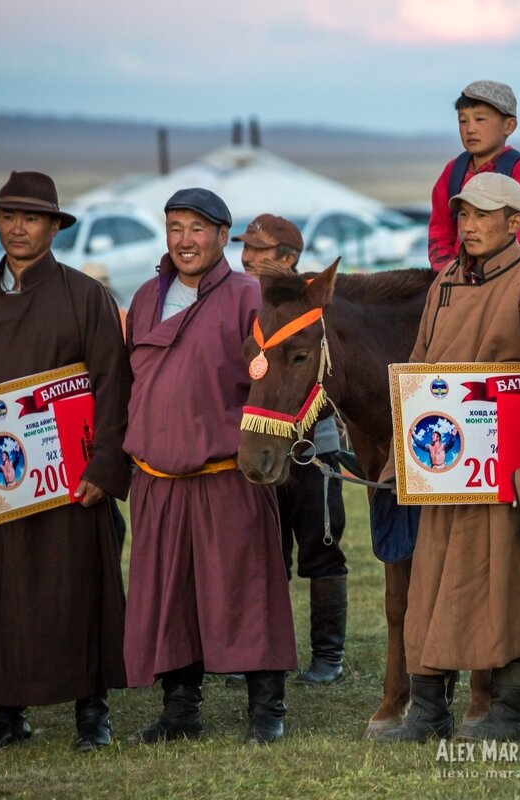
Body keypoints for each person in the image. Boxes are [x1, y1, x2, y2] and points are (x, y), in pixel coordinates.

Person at [0, 170, 131, 751]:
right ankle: (7, 716)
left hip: (68, 478)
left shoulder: (86, 296)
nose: (16, 228)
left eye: (30, 218)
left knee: (75, 586)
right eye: (8, 217)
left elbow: (114, 387)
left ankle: (93, 713)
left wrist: (104, 469)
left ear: (54, 228)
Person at [377, 172, 520, 743]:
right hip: (445, 470)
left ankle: (509, 714)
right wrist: (404, 452)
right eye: (463, 214)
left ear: (515, 222)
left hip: (507, 476)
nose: (467, 225)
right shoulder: (444, 280)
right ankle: (427, 716)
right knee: (431, 590)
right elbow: (421, 367)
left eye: (481, 214)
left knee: (507, 594)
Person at [122, 190, 297, 745]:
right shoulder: (147, 297)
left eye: (198, 228)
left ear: (224, 237)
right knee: (169, 596)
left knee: (246, 590)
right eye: (175, 227)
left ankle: (267, 710)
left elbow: (275, 381)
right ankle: (180, 712)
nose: (185, 240)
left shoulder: (250, 296)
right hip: (158, 476)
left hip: (226, 473)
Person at [235, 213, 349, 687]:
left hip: (312, 447)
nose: (248, 257)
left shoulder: (311, 306)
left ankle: (328, 657)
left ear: (288, 258)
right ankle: (264, 652)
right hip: (263, 439)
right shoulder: (251, 300)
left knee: (321, 546)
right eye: (245, 248)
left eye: (260, 251)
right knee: (267, 553)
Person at [427, 80, 520, 271]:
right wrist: (449, 273)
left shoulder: (519, 171)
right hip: (458, 278)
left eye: (480, 119)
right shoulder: (453, 172)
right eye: (462, 120)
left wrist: (495, 278)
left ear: (509, 126)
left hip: (508, 280)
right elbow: (440, 232)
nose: (470, 129)